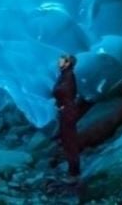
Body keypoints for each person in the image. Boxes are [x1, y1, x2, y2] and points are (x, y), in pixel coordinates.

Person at [52, 54, 81, 183]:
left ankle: (74, 173)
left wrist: (60, 100)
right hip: (66, 110)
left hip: (68, 111)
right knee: (67, 141)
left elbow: (63, 91)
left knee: (70, 141)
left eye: (62, 60)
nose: (59, 61)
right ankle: (73, 171)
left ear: (68, 63)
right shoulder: (65, 75)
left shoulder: (68, 76)